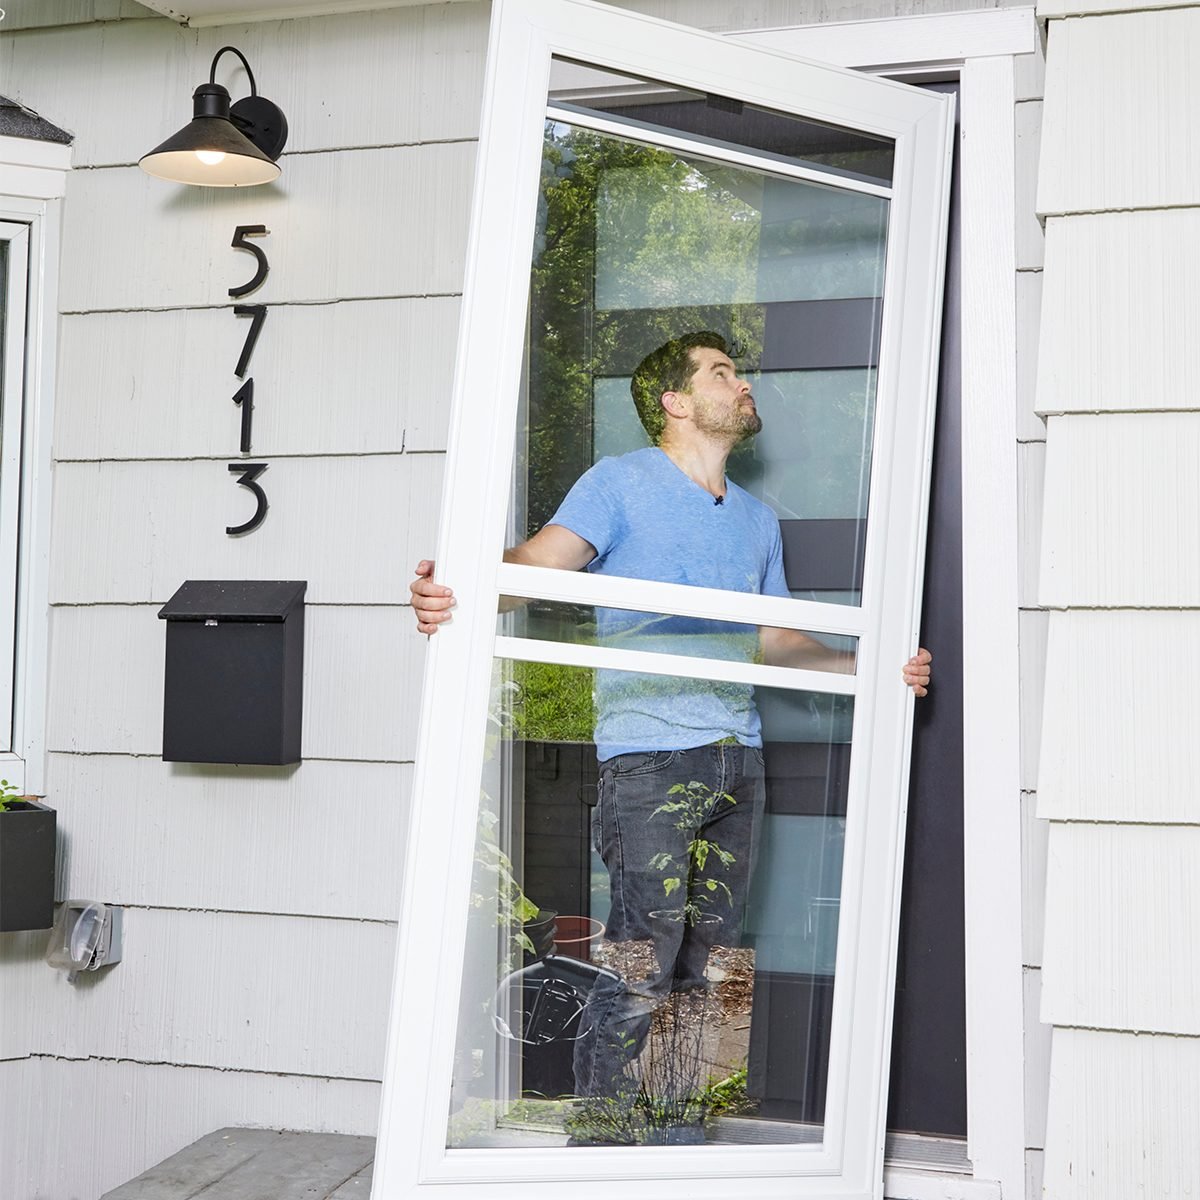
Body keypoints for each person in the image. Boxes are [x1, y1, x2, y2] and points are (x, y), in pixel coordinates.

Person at [411, 332, 932, 1105]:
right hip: (650, 758)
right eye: (722, 373)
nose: (742, 383)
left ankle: (688, 1133)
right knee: (640, 956)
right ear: (676, 401)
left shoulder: (756, 520)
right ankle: (605, 1133)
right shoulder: (619, 484)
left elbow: (779, 642)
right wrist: (454, 584)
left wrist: (875, 669)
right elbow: (537, 563)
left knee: (717, 963)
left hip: (736, 760)